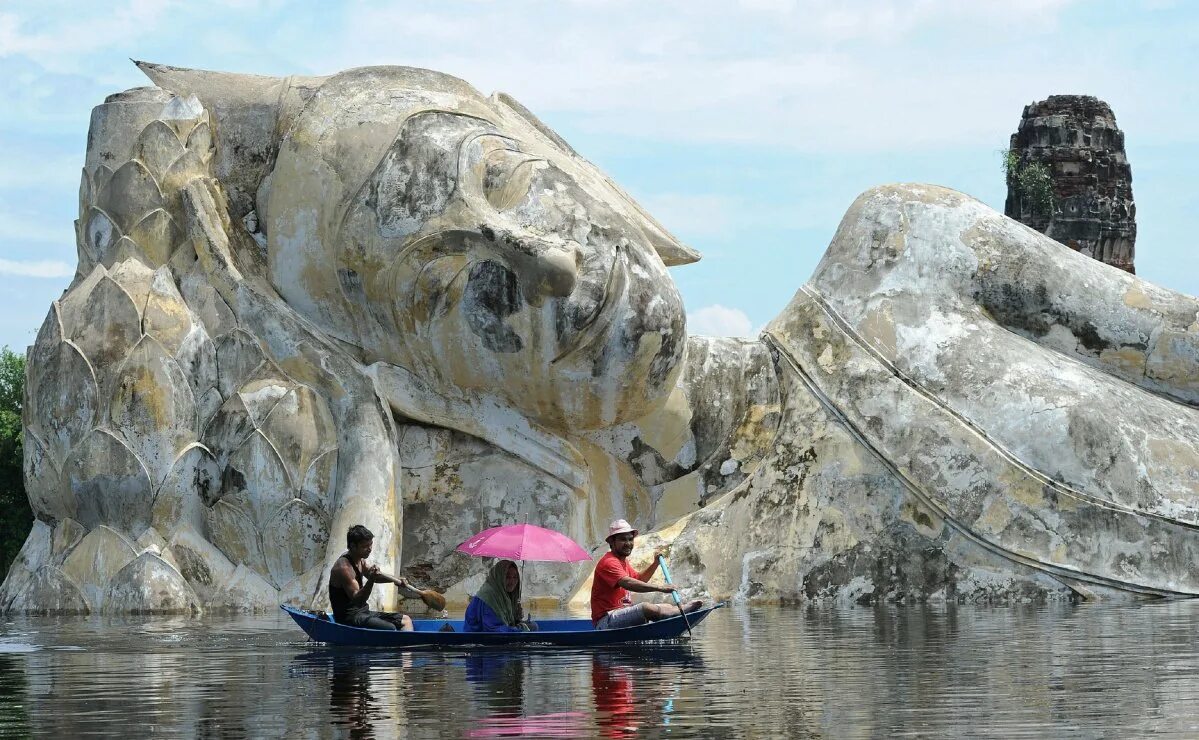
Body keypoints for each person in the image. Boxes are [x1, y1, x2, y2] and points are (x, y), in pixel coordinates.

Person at [591, 520, 702, 630]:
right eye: (623, 539)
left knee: (666, 606)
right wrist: (660, 588)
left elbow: (640, 579)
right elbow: (628, 583)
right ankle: (680, 612)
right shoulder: (609, 562)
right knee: (645, 608)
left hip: (619, 615)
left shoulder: (622, 562)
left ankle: (679, 611)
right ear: (611, 542)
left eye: (630, 539)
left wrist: (655, 563)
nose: (628, 543)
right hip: (606, 621)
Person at [328, 524, 414, 631]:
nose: (369, 549)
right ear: (353, 546)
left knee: (405, 620)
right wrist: (372, 579)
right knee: (390, 628)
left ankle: (406, 647)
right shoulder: (344, 568)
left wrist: (396, 579)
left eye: (371, 545)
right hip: (349, 617)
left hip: (363, 612)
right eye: (365, 546)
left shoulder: (359, 559)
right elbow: (358, 600)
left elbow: (375, 576)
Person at [464, 559, 536, 632]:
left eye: (515, 577)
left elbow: (506, 622)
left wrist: (516, 618)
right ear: (499, 577)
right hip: (481, 638)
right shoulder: (489, 596)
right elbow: (493, 629)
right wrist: (520, 629)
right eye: (507, 577)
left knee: (533, 626)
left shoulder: (502, 593)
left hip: (498, 632)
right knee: (530, 628)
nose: (512, 582)